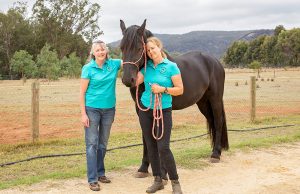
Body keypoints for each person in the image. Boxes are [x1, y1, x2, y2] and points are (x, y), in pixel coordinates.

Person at [136, 36, 184, 194]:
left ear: (159, 47)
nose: (151, 52)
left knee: (163, 147)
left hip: (163, 110)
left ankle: (175, 182)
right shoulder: (146, 67)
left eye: (153, 48)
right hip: (146, 109)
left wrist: (162, 89)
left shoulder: (171, 66)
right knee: (151, 146)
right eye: (148, 50)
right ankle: (158, 179)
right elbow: (135, 81)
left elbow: (180, 89)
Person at [80, 40, 122, 191]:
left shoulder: (114, 64)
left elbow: (132, 61)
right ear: (93, 53)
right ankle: (92, 179)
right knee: (92, 144)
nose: (101, 52)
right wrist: (83, 113)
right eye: (97, 50)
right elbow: (82, 93)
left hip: (109, 109)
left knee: (103, 144)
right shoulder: (88, 68)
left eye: (103, 49)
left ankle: (100, 173)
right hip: (91, 109)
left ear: (106, 51)